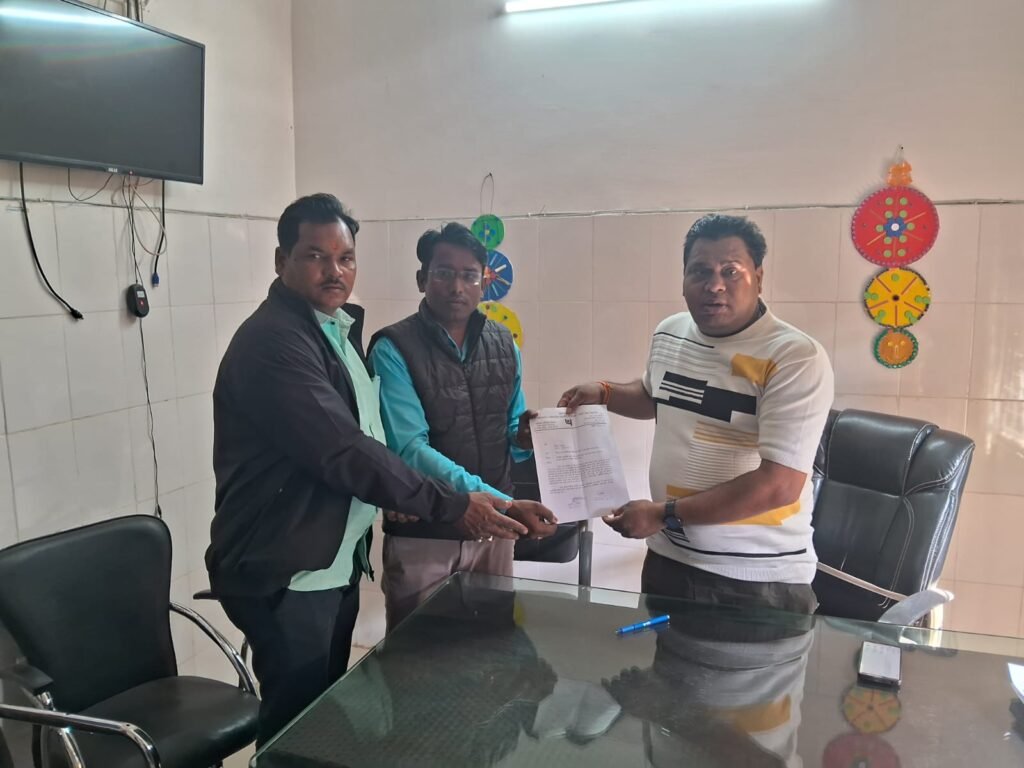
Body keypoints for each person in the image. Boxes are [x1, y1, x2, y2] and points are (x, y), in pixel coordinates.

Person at [207, 194, 527, 745]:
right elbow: (344, 450)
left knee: (321, 717)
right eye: (315, 256)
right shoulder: (275, 342)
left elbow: (365, 441)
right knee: (295, 727)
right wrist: (448, 503)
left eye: (346, 258)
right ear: (281, 260)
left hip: (333, 562)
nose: (334, 271)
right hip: (289, 566)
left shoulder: (332, 331)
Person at [560, 214, 834, 614]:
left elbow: (779, 485)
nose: (714, 285)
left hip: (754, 580)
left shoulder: (794, 357)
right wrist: (604, 393)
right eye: (700, 271)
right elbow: (656, 396)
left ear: (758, 277)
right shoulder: (671, 332)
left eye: (730, 271)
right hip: (668, 561)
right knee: (664, 658)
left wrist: (665, 514)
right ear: (684, 278)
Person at [369, 222, 557, 629]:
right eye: (444, 273)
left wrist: (525, 437)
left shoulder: (504, 344)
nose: (457, 287)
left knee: (491, 644)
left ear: (484, 283)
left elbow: (511, 428)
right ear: (422, 279)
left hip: (494, 534)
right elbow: (410, 449)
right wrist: (502, 503)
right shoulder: (393, 348)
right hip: (425, 530)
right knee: (418, 648)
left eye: (469, 275)